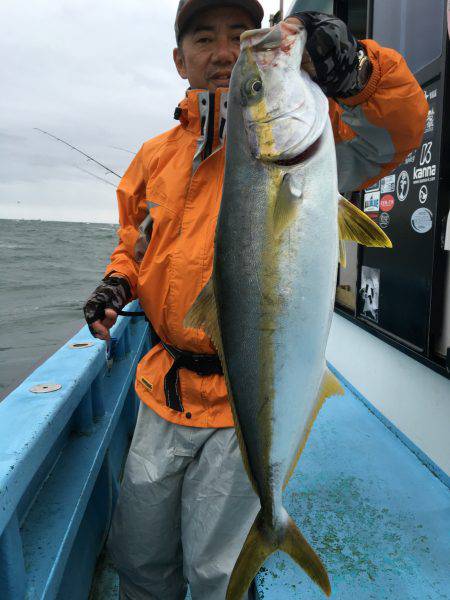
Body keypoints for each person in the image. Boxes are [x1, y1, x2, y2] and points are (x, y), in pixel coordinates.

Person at [83, 1, 428, 598]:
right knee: (138, 552)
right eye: (202, 38)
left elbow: (400, 127)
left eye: (237, 38)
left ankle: (267, 524)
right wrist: (119, 281)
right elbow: (135, 240)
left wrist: (356, 73)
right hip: (160, 389)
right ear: (178, 59)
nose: (223, 52)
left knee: (214, 572)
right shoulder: (154, 157)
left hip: (236, 401)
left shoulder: (322, 150)